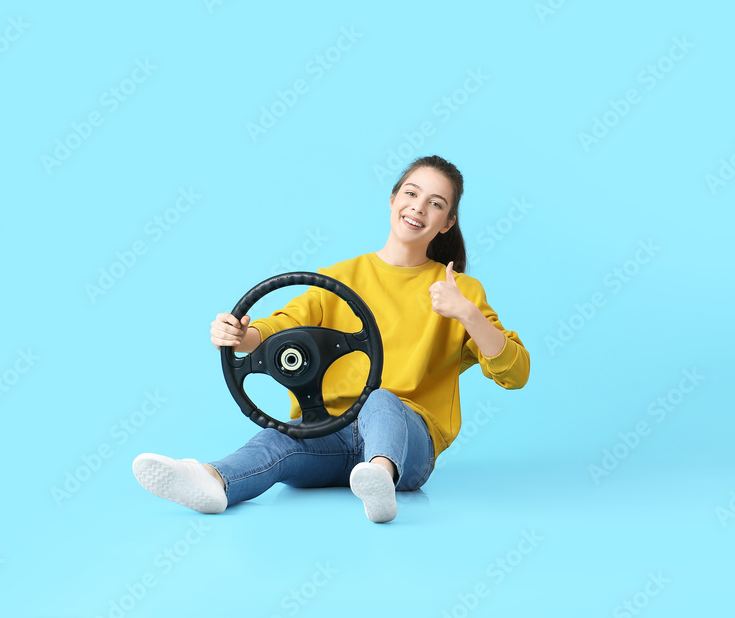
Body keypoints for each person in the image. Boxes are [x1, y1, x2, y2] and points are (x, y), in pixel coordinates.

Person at [132, 155, 530, 523]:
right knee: (277, 439)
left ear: (447, 222)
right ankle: (213, 481)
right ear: (393, 199)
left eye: (436, 203)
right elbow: (283, 324)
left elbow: (515, 373)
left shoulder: (460, 291)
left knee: (381, 398)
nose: (418, 207)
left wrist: (466, 313)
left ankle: (380, 476)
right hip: (328, 431)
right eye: (411, 193)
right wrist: (242, 335)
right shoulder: (340, 278)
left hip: (409, 445)